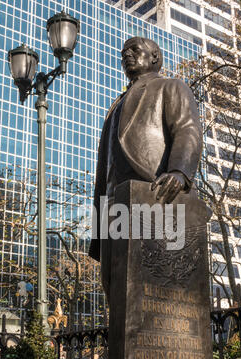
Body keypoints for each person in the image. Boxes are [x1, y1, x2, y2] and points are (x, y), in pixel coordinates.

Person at [88, 36, 203, 301]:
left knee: (158, 287)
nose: (126, 54)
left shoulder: (171, 87)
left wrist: (179, 172)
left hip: (153, 193)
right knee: (115, 289)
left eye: (134, 50)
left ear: (154, 57)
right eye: (123, 52)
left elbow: (187, 128)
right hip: (114, 205)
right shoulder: (115, 106)